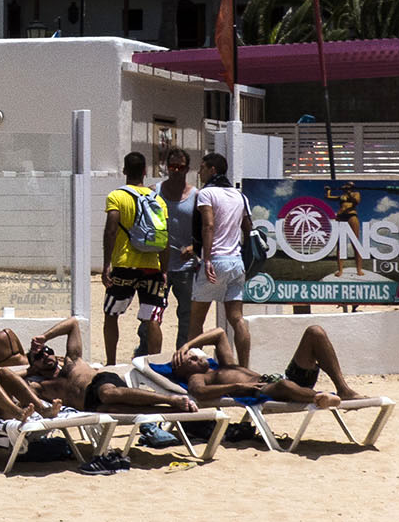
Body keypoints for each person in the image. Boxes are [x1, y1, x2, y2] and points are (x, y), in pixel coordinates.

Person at [19, 316, 194, 414]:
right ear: (34, 366)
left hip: (102, 383)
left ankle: (172, 399)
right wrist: (29, 370)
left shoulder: (71, 361)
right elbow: (8, 378)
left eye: (48, 350)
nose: (47, 354)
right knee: (113, 409)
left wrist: (45, 338)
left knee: (107, 393)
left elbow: (73, 323)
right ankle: (173, 410)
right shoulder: (40, 386)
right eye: (40, 356)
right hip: (90, 405)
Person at [165, 325, 364, 407]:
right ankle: (318, 398)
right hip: (264, 389)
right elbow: (198, 392)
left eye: (193, 355)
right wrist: (236, 388)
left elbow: (219, 333)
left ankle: (343, 389)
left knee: (315, 332)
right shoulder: (200, 378)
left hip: (284, 378)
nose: (196, 357)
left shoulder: (223, 365)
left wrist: (187, 345)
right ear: (184, 372)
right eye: (190, 360)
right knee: (285, 386)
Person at [101, 151, 167, 365]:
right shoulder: (158, 200)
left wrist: (106, 265)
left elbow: (111, 230)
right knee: (152, 318)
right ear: (145, 171)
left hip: (125, 265)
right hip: (152, 267)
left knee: (112, 314)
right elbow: (164, 235)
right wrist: (164, 269)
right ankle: (154, 365)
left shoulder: (117, 196)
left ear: (124, 170)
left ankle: (111, 363)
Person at [189, 152, 253, 367]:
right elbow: (248, 228)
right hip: (236, 261)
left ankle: (193, 367)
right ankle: (244, 367)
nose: (199, 172)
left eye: (202, 167)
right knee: (237, 319)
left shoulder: (206, 194)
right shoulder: (240, 196)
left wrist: (206, 259)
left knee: (196, 319)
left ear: (212, 170)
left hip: (215, 260)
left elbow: (208, 225)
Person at [155, 148, 201, 353]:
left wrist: (194, 247)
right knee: (152, 314)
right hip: (157, 266)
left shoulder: (196, 196)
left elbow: (207, 228)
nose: (175, 170)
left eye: (180, 167)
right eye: (172, 166)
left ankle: (182, 354)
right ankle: (146, 354)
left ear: (187, 169)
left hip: (186, 266)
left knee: (187, 316)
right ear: (166, 166)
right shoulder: (154, 192)